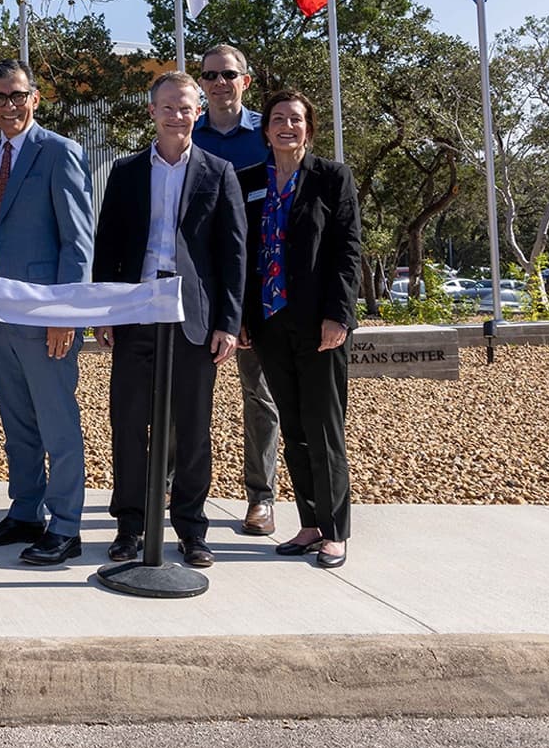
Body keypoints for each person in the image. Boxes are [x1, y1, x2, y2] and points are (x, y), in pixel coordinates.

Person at [92, 71, 246, 568]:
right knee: (129, 421)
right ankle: (129, 525)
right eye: (168, 107)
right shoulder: (127, 171)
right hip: (137, 309)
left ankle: (192, 529)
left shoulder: (218, 172)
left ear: (197, 113)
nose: (177, 116)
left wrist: (228, 320)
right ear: (152, 112)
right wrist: (106, 309)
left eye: (186, 108)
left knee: (193, 427)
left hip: (193, 316)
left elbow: (233, 254)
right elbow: (108, 246)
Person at [0, 61, 94, 566]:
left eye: (18, 95)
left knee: (58, 423)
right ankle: (24, 512)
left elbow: (77, 241)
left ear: (34, 98)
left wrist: (65, 312)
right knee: (18, 424)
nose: (9, 105)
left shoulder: (60, 152)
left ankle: (66, 526)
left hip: (44, 316)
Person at [238, 89, 362, 570]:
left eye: (296, 119)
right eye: (277, 119)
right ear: (265, 129)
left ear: (309, 128)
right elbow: (241, 254)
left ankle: (335, 531)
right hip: (269, 322)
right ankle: (309, 523)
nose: (287, 126)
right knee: (292, 426)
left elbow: (348, 251)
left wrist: (340, 314)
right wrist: (244, 316)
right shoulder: (248, 180)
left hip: (319, 323)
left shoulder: (332, 177)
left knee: (324, 427)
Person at [192, 43, 280, 539]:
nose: (220, 83)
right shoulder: (186, 133)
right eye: (210, 75)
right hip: (199, 285)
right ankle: (170, 487)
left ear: (245, 80)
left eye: (228, 74)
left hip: (256, 285)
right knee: (185, 393)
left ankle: (260, 497)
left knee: (259, 397)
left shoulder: (264, 139)